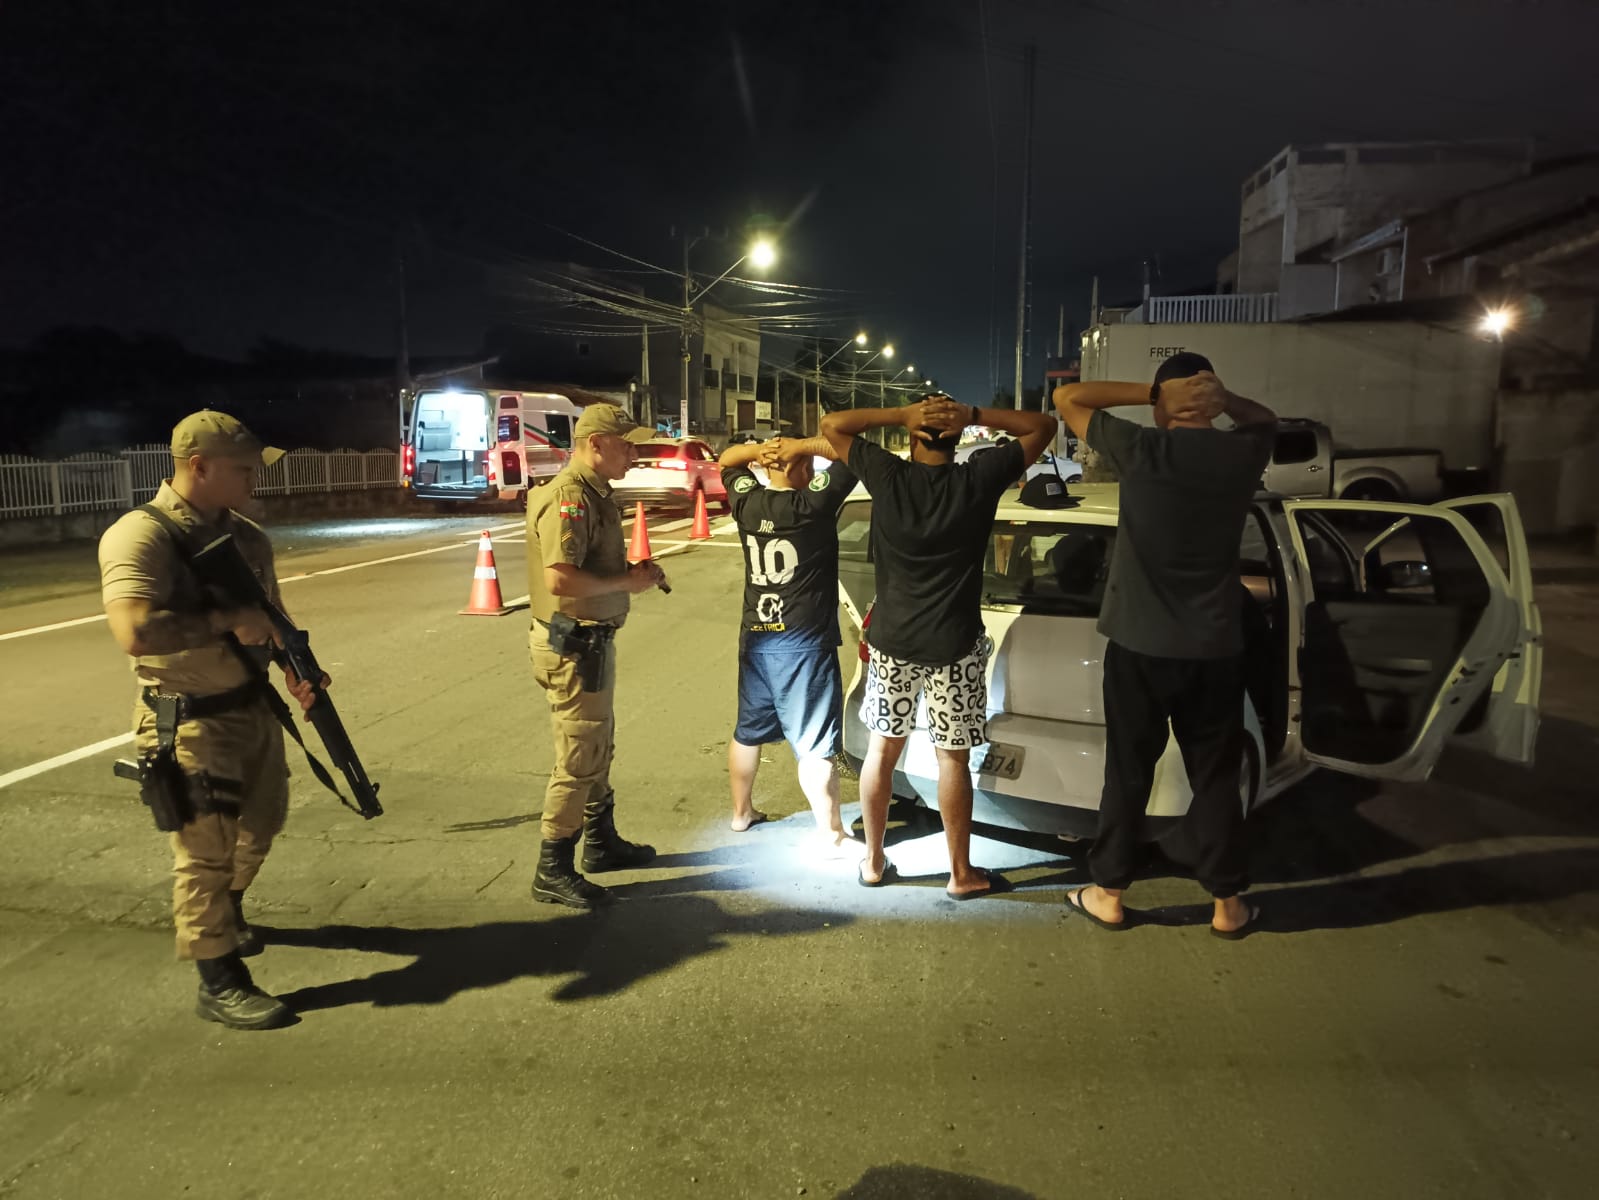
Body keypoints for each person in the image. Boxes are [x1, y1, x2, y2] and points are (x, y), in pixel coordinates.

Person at [99, 411, 321, 1031]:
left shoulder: (248, 537)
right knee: (204, 853)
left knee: (263, 823)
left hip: (252, 707)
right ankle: (220, 980)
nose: (255, 479)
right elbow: (135, 631)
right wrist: (226, 622)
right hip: (189, 719)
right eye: (243, 469)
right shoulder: (141, 536)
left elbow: (271, 616)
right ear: (198, 466)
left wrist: (295, 666)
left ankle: (228, 910)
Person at [1053, 353, 1277, 939]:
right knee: (1216, 778)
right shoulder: (1240, 453)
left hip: (1139, 645)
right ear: (1211, 399)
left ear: (1165, 402)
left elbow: (1068, 398)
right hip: (1214, 648)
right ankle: (1228, 906)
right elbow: (1266, 419)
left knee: (1128, 771)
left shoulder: (1142, 448)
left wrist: (1155, 393)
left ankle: (1108, 894)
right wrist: (1225, 399)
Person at [820, 395, 1056, 899]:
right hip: (955, 644)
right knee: (953, 759)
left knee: (882, 751)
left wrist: (900, 415)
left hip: (892, 642)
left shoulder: (887, 474)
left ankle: (873, 861)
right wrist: (973, 415)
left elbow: (833, 424)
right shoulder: (978, 479)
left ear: (912, 437)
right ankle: (960, 873)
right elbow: (1042, 425)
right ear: (957, 438)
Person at [526, 402, 665, 910]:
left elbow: (589, 565)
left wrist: (631, 573)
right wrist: (627, 581)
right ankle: (553, 867)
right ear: (596, 444)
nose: (634, 454)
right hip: (573, 645)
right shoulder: (570, 496)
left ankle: (601, 842)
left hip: (589, 642)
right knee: (580, 754)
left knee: (597, 745)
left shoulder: (594, 492)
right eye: (626, 445)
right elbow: (560, 580)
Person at [717, 434, 860, 854]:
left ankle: (741, 813)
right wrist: (805, 445)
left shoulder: (748, 501)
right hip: (803, 642)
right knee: (815, 745)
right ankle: (832, 835)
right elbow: (851, 453)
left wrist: (760, 452)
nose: (813, 472)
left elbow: (727, 461)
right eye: (807, 465)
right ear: (802, 467)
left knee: (748, 731)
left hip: (757, 637)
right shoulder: (812, 504)